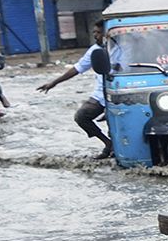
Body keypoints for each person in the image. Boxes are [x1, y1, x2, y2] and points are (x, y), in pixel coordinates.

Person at [36, 20, 113, 159]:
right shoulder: (95, 50)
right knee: (81, 116)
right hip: (101, 94)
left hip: (123, 90)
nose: (95, 35)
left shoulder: (121, 47)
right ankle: (108, 143)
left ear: (107, 34)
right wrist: (54, 82)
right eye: (94, 32)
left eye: (98, 32)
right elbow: (77, 69)